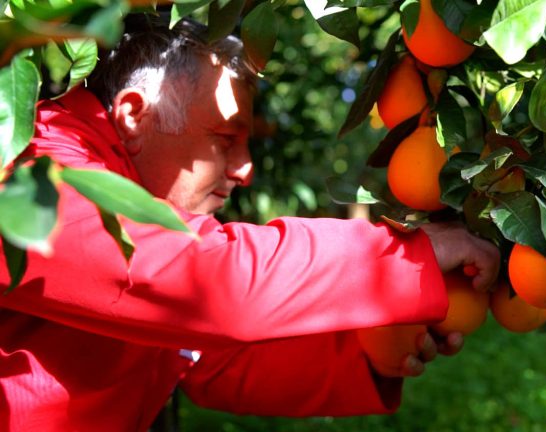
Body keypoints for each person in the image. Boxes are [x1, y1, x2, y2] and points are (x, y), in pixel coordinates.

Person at [0, 13, 499, 431]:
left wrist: (367, 352)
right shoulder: (32, 176)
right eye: (224, 138)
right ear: (135, 114)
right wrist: (408, 256)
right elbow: (209, 282)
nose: (245, 168)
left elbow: (210, 360)